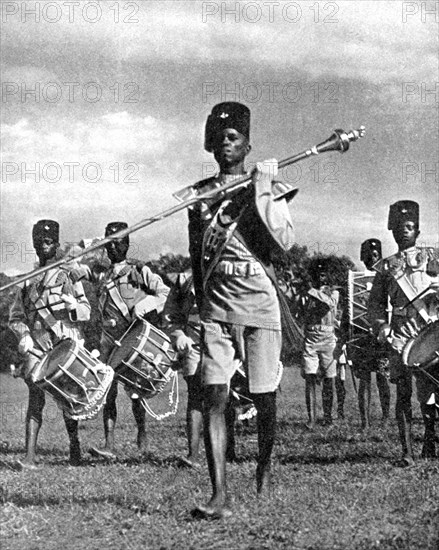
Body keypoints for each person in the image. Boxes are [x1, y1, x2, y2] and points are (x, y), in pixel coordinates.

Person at [185, 101, 295, 519]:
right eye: (219, 139)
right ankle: (219, 494)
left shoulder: (266, 185)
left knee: (264, 399)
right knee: (214, 395)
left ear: (248, 143)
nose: (225, 145)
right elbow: (197, 256)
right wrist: (200, 305)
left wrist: (264, 188)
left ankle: (264, 468)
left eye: (233, 138)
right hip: (216, 307)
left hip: (259, 303)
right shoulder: (198, 195)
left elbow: (283, 240)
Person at [76, 222, 170, 459]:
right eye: (110, 243)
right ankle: (109, 444)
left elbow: (164, 293)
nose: (113, 248)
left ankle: (142, 433)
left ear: (127, 244)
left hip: (132, 337)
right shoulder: (100, 272)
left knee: (136, 391)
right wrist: (92, 243)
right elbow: (72, 265)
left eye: (118, 242)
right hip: (107, 339)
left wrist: (144, 305)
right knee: (108, 392)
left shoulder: (139, 271)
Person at [9, 219, 91, 468]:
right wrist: (23, 334)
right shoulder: (26, 281)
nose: (42, 246)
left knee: (69, 398)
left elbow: (86, 310)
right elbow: (15, 317)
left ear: (56, 243)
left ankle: (74, 447)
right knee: (35, 396)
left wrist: (74, 306)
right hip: (37, 344)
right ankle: (30, 457)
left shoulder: (69, 274)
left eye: (48, 242)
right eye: (38, 242)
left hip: (63, 341)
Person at [368, 201, 439, 465]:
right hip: (399, 335)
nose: (404, 232)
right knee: (403, 394)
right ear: (393, 231)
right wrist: (381, 326)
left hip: (428, 333)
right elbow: (374, 304)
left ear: (418, 231)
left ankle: (430, 442)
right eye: (399, 227)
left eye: (410, 227)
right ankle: (407, 452)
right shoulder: (385, 267)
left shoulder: (433, 257)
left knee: (431, 392)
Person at [163, 270, 248, 468]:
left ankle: (228, 450)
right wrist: (178, 335)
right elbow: (170, 313)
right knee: (195, 395)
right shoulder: (184, 280)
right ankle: (192, 455)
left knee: (223, 395)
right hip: (192, 342)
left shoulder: (227, 273)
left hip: (222, 340)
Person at [351, 239, 391, 430]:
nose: (372, 259)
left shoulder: (386, 278)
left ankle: (385, 418)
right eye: (368, 255)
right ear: (362, 257)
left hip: (381, 338)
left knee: (383, 378)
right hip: (362, 338)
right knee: (364, 381)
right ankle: (365, 422)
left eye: (375, 255)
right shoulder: (355, 282)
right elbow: (350, 311)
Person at [302, 258, 341, 429]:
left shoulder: (334, 292)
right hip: (310, 336)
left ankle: (328, 416)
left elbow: (329, 304)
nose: (321, 277)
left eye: (324, 274)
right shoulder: (307, 293)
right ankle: (311, 418)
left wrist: (309, 290)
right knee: (310, 377)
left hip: (327, 338)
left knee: (329, 379)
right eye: (318, 274)